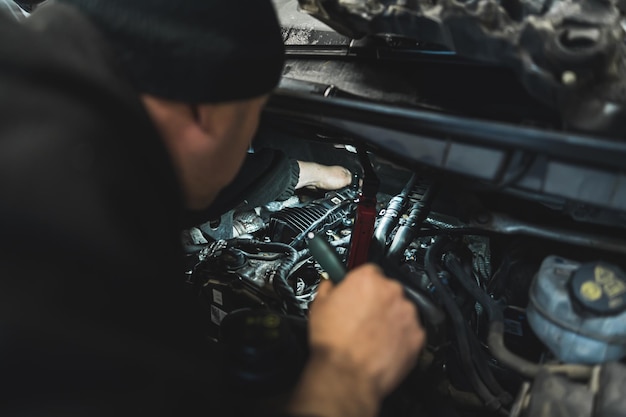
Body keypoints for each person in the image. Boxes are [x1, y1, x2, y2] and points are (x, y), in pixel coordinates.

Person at [0, 1, 425, 417]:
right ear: (205, 115)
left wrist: (305, 172)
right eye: (253, 119)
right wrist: (347, 376)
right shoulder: (66, 240)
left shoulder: (34, 87)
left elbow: (185, 160)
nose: (248, 140)